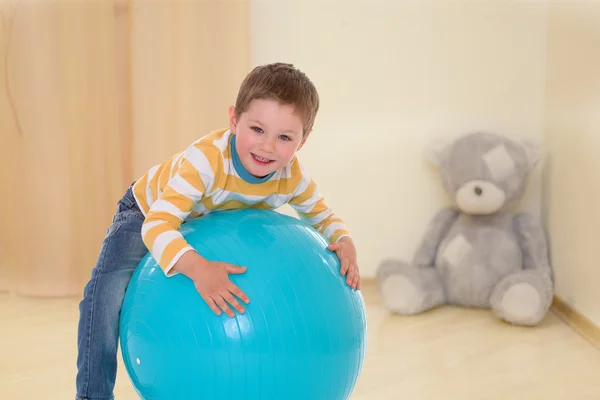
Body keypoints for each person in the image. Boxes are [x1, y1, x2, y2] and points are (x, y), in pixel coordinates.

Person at [75, 62, 360, 400]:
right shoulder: (207, 162)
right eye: (257, 129)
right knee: (104, 297)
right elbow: (159, 224)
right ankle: (91, 396)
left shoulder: (292, 176)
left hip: (210, 222)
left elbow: (322, 214)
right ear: (234, 120)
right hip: (148, 211)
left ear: (303, 141)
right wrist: (197, 268)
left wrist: (343, 240)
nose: (267, 147)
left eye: (284, 137)